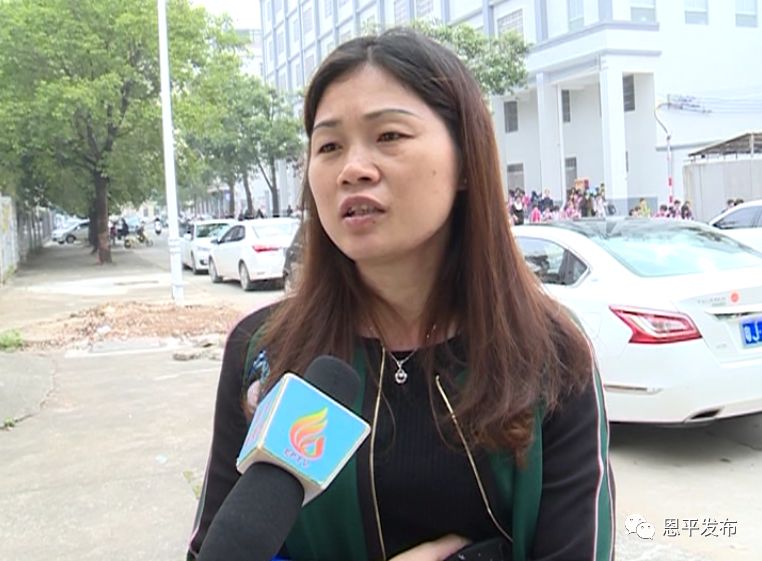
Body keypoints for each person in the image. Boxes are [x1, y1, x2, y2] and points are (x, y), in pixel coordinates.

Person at [187, 29, 614, 561]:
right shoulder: (263, 349)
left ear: (465, 160)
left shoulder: (549, 353)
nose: (353, 169)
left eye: (388, 135)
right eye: (329, 146)